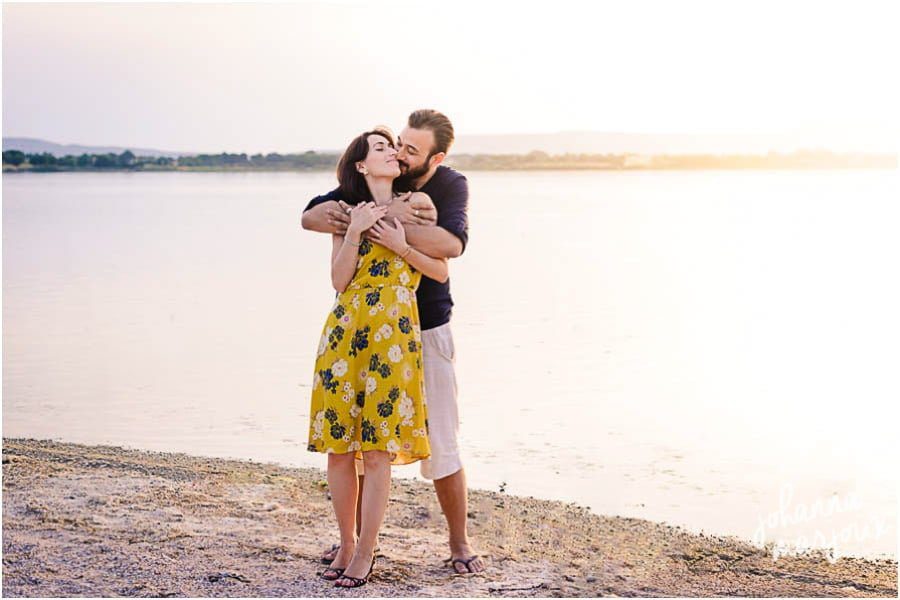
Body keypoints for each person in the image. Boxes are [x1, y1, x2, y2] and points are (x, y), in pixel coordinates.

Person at [301, 109, 485, 574]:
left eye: (409, 149)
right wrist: (360, 220)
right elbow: (312, 218)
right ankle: (357, 543)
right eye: (394, 145)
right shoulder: (355, 200)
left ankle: (459, 543)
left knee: (439, 439)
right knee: (353, 447)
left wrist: (397, 229)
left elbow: (451, 249)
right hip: (354, 332)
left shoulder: (440, 191)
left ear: (435, 157)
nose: (400, 153)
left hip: (421, 328)